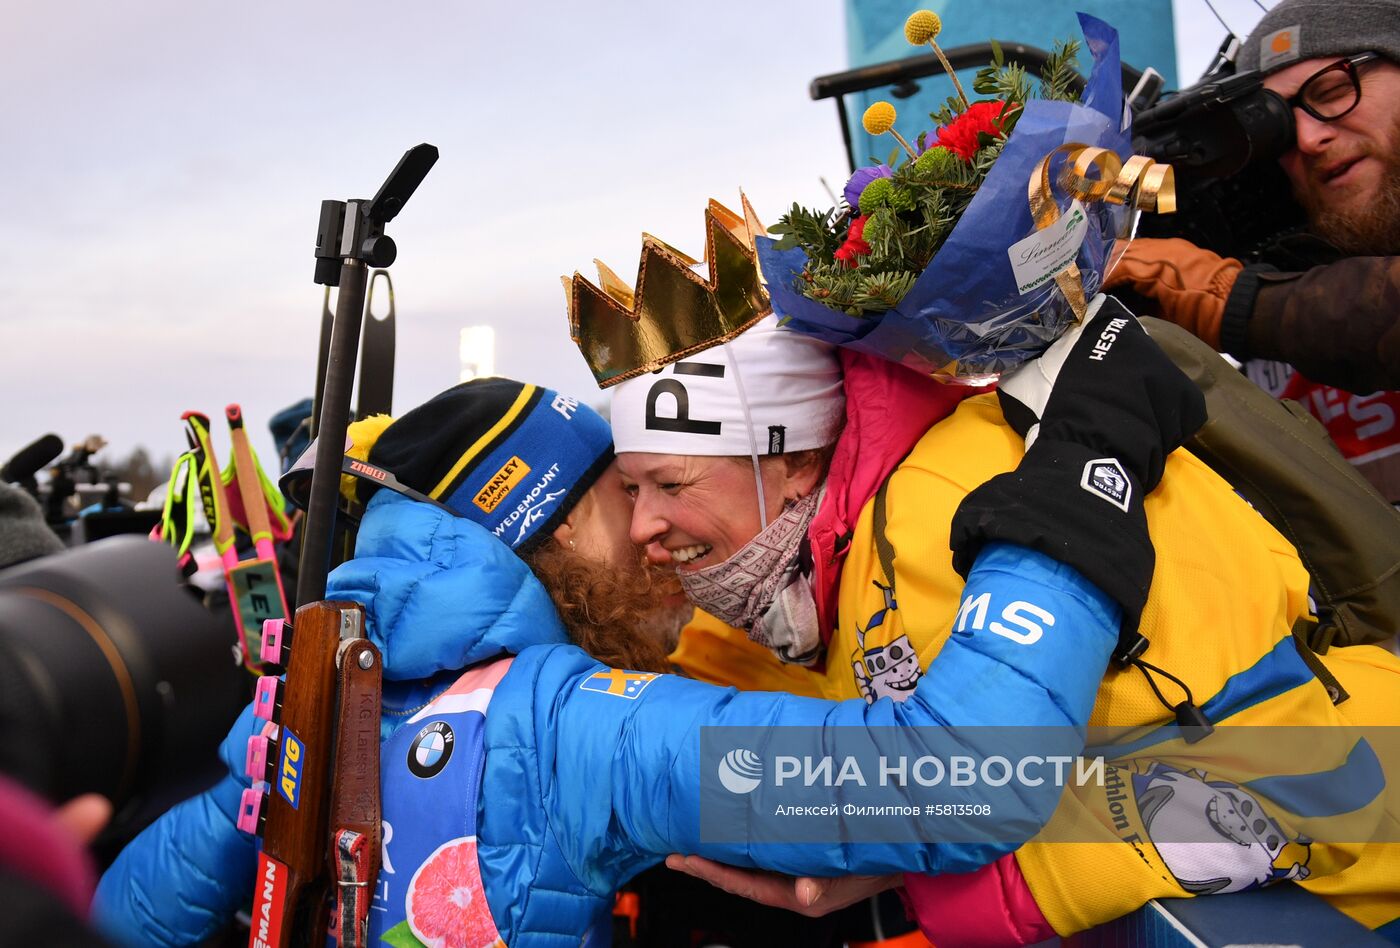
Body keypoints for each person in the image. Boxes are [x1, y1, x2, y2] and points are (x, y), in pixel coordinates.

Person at [92, 330, 1196, 947]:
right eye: (631, 497)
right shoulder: (572, 730)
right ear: (547, 524)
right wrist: (1070, 504)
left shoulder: (319, 711)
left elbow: (127, 909)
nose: (662, 539)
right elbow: (955, 783)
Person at [606, 303, 1400, 941]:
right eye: (631, 492)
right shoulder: (868, 536)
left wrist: (933, 878)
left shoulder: (929, 514)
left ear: (795, 464)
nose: (645, 525)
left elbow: (1261, 749)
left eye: (670, 484)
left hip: (1356, 874)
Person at [1105, 0, 1400, 499]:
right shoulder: (1282, 259)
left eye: (1332, 91)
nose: (1308, 139)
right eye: (1279, 131)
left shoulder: (1250, 291)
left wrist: (1227, 297)